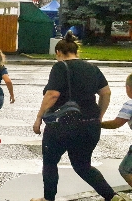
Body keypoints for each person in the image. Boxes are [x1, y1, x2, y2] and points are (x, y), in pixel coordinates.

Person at [31, 31, 127, 201]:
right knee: (83, 165)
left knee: (50, 162)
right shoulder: (92, 68)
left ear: (58, 52)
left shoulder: (60, 67)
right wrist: (99, 115)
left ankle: (48, 199)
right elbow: (106, 93)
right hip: (90, 125)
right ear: (76, 52)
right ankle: (112, 197)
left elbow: (52, 94)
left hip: (62, 126)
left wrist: (39, 118)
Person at [101, 73, 132, 188]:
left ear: (128, 88)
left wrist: (98, 124)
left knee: (125, 170)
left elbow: (116, 124)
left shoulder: (130, 104)